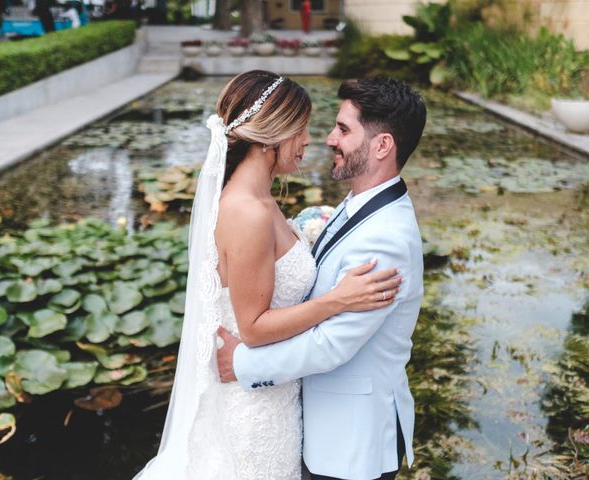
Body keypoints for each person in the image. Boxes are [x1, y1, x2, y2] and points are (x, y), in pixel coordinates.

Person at [133, 70, 402, 479]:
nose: (311, 140)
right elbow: (254, 328)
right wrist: (339, 299)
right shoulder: (249, 211)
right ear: (269, 136)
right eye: (302, 129)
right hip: (253, 411)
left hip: (276, 397)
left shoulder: (262, 199)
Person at [217, 77, 427, 480]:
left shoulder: (386, 237)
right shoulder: (358, 203)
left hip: (349, 442)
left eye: (344, 130)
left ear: (382, 145)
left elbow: (330, 345)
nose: (328, 139)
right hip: (309, 421)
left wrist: (241, 363)